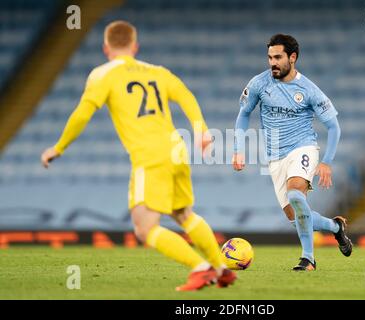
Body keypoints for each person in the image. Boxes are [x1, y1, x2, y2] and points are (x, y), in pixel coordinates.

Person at [41, 20, 236, 290]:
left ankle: (201, 268)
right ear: (135, 46)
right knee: (184, 214)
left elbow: (82, 113)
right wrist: (201, 129)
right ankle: (221, 268)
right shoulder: (157, 71)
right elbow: (186, 95)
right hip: (176, 149)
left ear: (106, 47)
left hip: (149, 154)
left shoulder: (102, 74)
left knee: (144, 228)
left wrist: (59, 147)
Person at [232, 34, 352, 271]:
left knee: (297, 196)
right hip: (275, 158)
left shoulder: (308, 89)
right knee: (295, 216)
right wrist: (238, 149)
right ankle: (336, 228)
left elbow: (333, 126)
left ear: (292, 57)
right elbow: (243, 114)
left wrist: (326, 161)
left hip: (303, 147)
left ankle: (308, 259)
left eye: (278, 57)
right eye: (269, 57)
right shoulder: (259, 83)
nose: (272, 63)